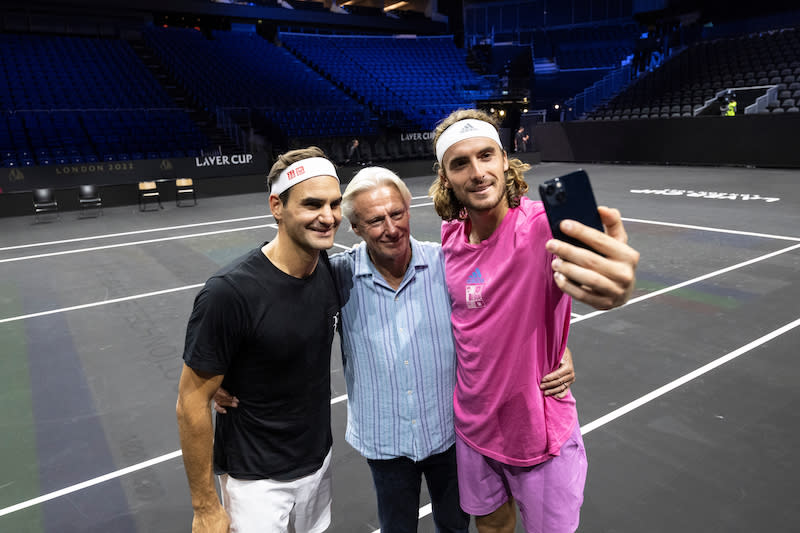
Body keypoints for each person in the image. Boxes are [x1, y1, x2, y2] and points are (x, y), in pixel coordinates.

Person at [215, 166, 578, 532]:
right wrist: (225, 374)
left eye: (397, 214)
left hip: (450, 434)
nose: (390, 228)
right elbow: (277, 301)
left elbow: (509, 309)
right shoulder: (337, 276)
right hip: (385, 441)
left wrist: (558, 346)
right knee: (396, 527)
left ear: (409, 210)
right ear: (355, 228)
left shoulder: (448, 264)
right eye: (375, 220)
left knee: (455, 526)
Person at [429, 109, 639, 533]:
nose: (477, 172)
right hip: (473, 426)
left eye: (486, 156)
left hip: (536, 430)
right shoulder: (450, 236)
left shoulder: (545, 224)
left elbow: (598, 267)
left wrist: (612, 286)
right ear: (445, 177)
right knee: (490, 527)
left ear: (505, 160)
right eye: (460, 163)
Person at [176, 147, 343, 533]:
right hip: (255, 482)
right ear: (277, 206)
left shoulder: (329, 271)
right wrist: (205, 507)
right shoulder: (229, 292)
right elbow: (191, 401)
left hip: (317, 463)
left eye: (335, 204)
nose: (329, 216)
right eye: (313, 204)